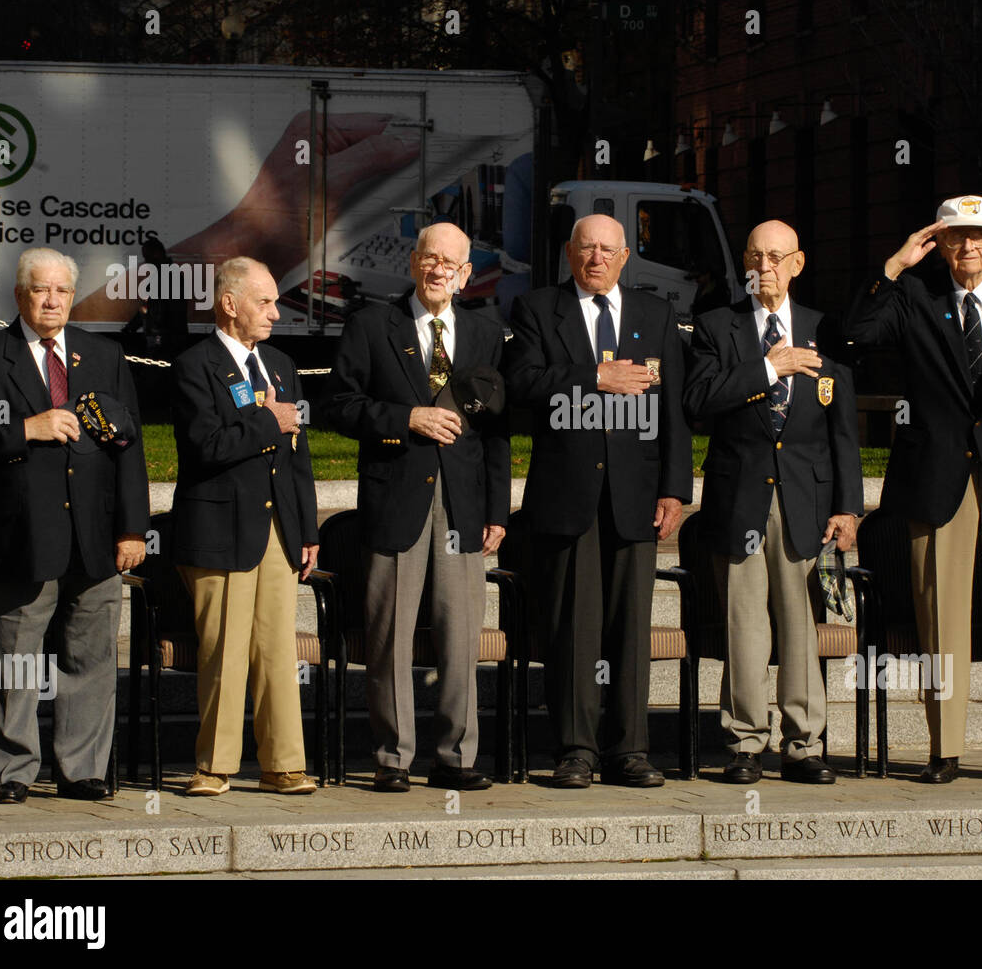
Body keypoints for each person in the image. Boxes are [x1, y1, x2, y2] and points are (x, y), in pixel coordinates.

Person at [844, 195, 982, 784]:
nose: (966, 247)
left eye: (977, 237)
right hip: (936, 475)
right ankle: (945, 750)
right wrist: (893, 267)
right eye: (953, 237)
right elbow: (854, 336)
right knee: (939, 611)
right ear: (938, 243)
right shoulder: (915, 297)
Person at [0, 247, 149, 804]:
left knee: (89, 659)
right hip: (21, 539)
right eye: (40, 289)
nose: (52, 300)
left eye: (62, 291)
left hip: (96, 540)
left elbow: (129, 450)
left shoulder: (103, 354)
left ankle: (81, 769)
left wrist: (132, 529)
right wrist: (27, 428)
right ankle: (12, 771)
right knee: (11, 661)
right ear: (19, 295)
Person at [504, 214, 692, 788]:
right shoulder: (537, 309)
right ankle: (576, 751)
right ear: (569, 253)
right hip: (568, 496)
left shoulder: (655, 314)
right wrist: (594, 376)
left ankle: (630, 751)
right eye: (586, 248)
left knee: (631, 628)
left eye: (608, 250)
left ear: (626, 256)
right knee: (574, 629)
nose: (597, 258)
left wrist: (675, 489)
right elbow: (522, 384)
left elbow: (674, 412)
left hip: (636, 497)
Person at [325, 221, 510, 793]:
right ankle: (392, 758)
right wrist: (405, 419)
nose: (437, 271)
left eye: (450, 264)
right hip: (396, 498)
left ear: (465, 275)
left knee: (460, 635)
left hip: (463, 506)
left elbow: (496, 428)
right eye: (429, 259)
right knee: (390, 636)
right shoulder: (372, 325)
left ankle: (456, 757)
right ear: (412, 262)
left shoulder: (484, 332)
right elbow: (339, 404)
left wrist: (498, 510)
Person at [684, 220, 863, 785]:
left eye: (776, 257)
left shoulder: (824, 330)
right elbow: (698, 401)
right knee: (744, 624)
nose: (766, 266)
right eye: (756, 256)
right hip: (739, 495)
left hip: (805, 498)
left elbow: (844, 430)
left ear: (798, 264)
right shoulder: (718, 326)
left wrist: (848, 507)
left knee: (798, 624)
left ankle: (804, 745)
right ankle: (744, 743)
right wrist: (769, 367)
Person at [170, 257, 320, 797]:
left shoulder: (280, 365)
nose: (276, 314)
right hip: (219, 531)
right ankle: (215, 767)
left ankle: (285, 764)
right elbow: (206, 445)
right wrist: (268, 421)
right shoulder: (194, 365)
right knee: (225, 652)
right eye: (265, 302)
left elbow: (297, 456)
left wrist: (308, 529)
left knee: (277, 650)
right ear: (229, 305)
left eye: (277, 302)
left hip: (278, 532)